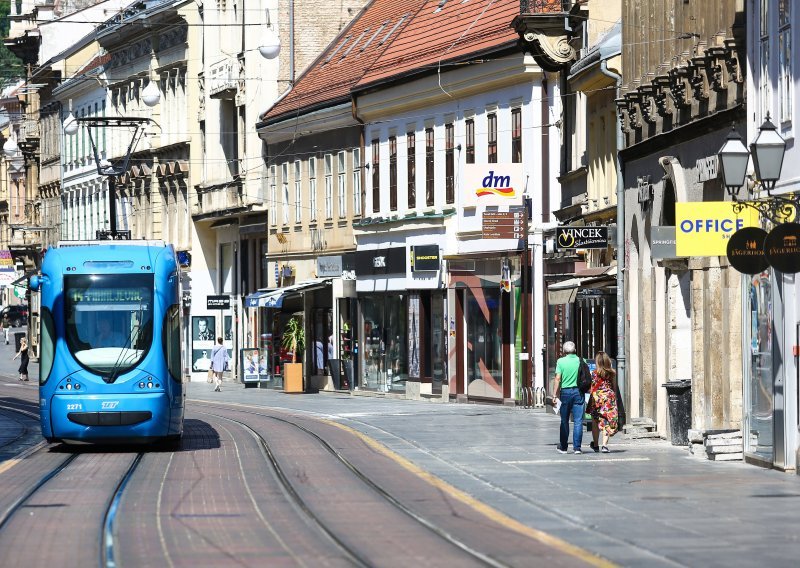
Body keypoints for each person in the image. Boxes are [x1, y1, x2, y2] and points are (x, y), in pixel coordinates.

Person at [553, 341, 584, 454]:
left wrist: (554, 395)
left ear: (564, 351)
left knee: (564, 420)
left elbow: (557, 378)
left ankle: (564, 447)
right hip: (578, 392)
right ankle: (577, 448)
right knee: (578, 421)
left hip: (565, 392)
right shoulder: (581, 360)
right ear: (575, 350)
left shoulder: (560, 361)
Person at [587, 351, 619, 453]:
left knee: (595, 422)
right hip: (608, 399)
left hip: (596, 399)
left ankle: (595, 444)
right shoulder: (612, 373)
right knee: (606, 421)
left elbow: (591, 387)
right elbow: (614, 387)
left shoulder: (594, 373)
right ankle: (604, 445)